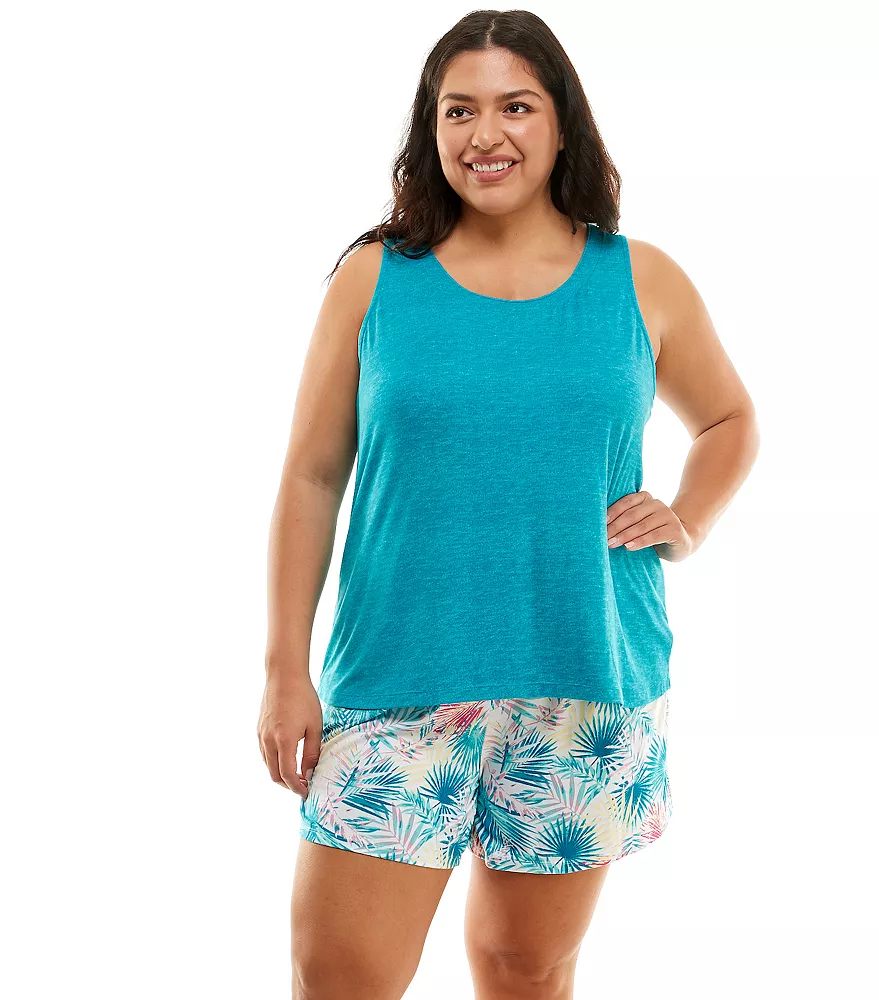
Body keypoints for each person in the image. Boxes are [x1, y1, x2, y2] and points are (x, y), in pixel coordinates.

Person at [258, 11, 759, 1000]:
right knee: (341, 977)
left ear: (562, 123)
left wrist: (689, 517)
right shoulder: (374, 279)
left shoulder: (640, 279)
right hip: (396, 686)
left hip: (585, 682)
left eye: (515, 107)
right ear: (431, 128)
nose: (485, 134)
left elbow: (729, 419)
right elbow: (311, 475)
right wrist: (284, 670)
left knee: (523, 969)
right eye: (459, 111)